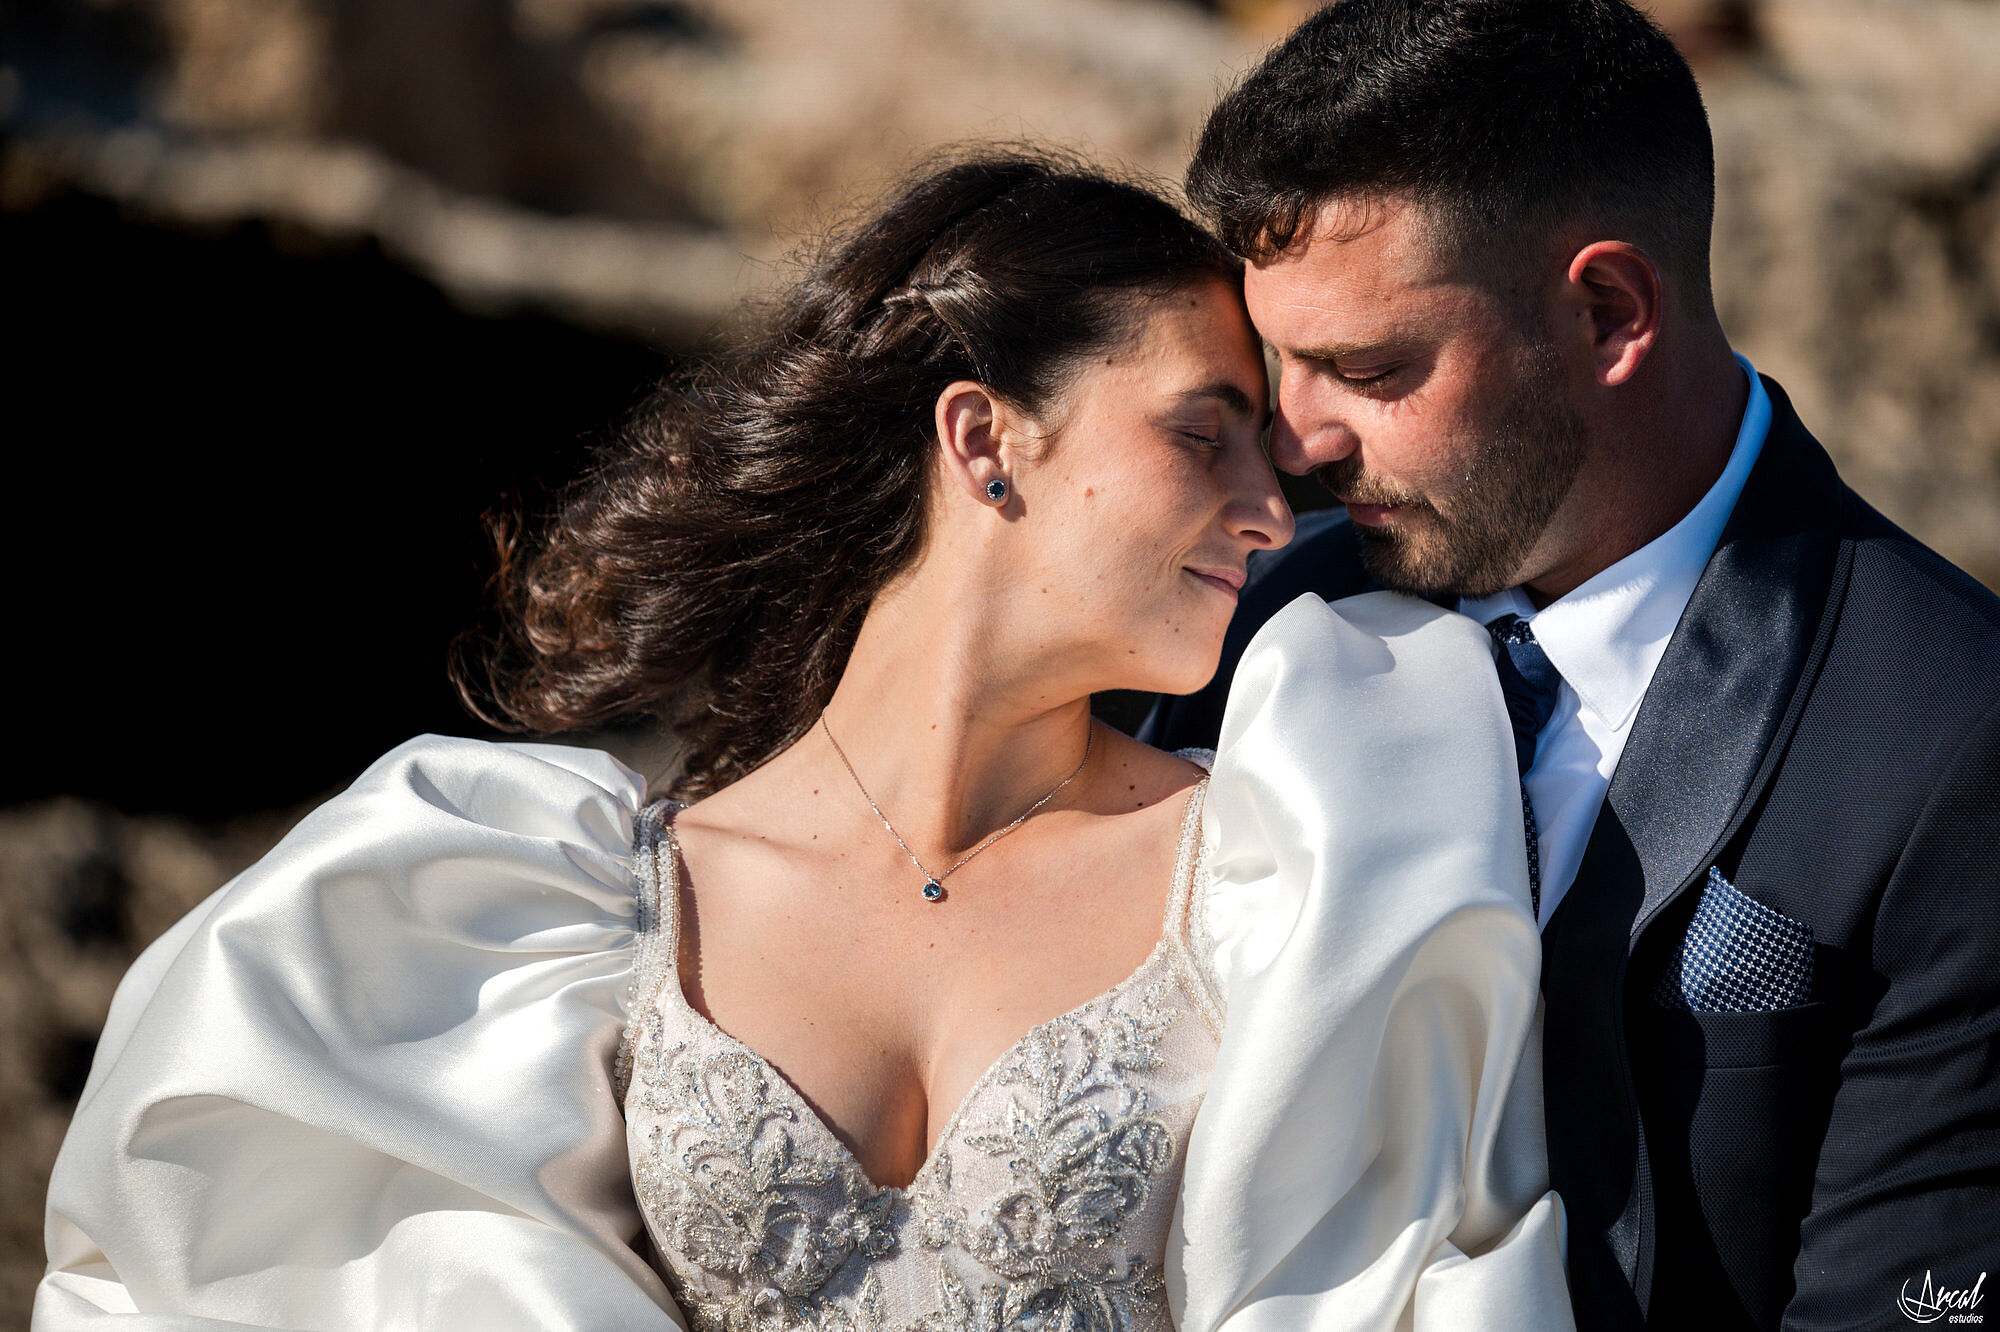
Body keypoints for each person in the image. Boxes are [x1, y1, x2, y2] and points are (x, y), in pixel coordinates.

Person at [35, 153, 1569, 1330]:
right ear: (984, 439)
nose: (1268, 503)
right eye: (1200, 429)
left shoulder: (1279, 885)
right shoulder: (579, 891)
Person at [1140, 2, 2000, 1328]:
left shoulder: (1949, 729)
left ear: (1608, 311)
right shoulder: (1246, 625)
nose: (1298, 441)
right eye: (1278, 363)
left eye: (1365, 367)